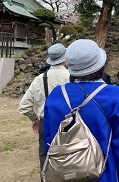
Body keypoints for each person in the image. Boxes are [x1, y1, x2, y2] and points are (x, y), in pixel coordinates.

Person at [43, 39, 119, 182]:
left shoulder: (57, 94)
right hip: (103, 172)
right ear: (100, 66)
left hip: (65, 172)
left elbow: (50, 140)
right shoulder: (112, 95)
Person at [19, 43, 69, 181]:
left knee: (45, 155)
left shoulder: (39, 79)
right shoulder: (72, 77)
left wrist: (34, 118)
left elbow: (24, 105)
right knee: (70, 154)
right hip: (69, 123)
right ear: (65, 59)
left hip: (46, 123)